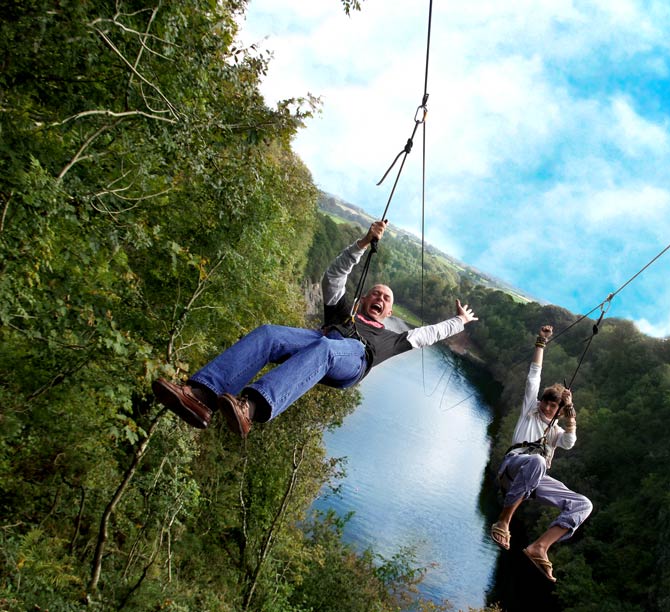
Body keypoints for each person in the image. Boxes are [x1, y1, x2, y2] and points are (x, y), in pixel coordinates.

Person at [152, 220, 478, 438]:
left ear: (389, 311)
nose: (380, 297)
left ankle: (249, 408)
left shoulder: (392, 338)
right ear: (363, 299)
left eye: (386, 298)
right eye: (375, 293)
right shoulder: (341, 311)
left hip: (353, 360)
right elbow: (334, 277)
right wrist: (363, 242)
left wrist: (459, 322)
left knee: (327, 347)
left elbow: (428, 334)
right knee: (269, 334)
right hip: (323, 341)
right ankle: (200, 396)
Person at [489, 325, 592, 583]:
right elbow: (534, 376)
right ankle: (504, 520)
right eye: (545, 401)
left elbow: (569, 442)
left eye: (552, 404)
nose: (546, 406)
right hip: (514, 465)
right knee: (536, 460)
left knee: (583, 504)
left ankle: (540, 547)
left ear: (558, 409)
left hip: (534, 480)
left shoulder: (556, 430)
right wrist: (541, 343)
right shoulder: (530, 411)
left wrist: (571, 416)